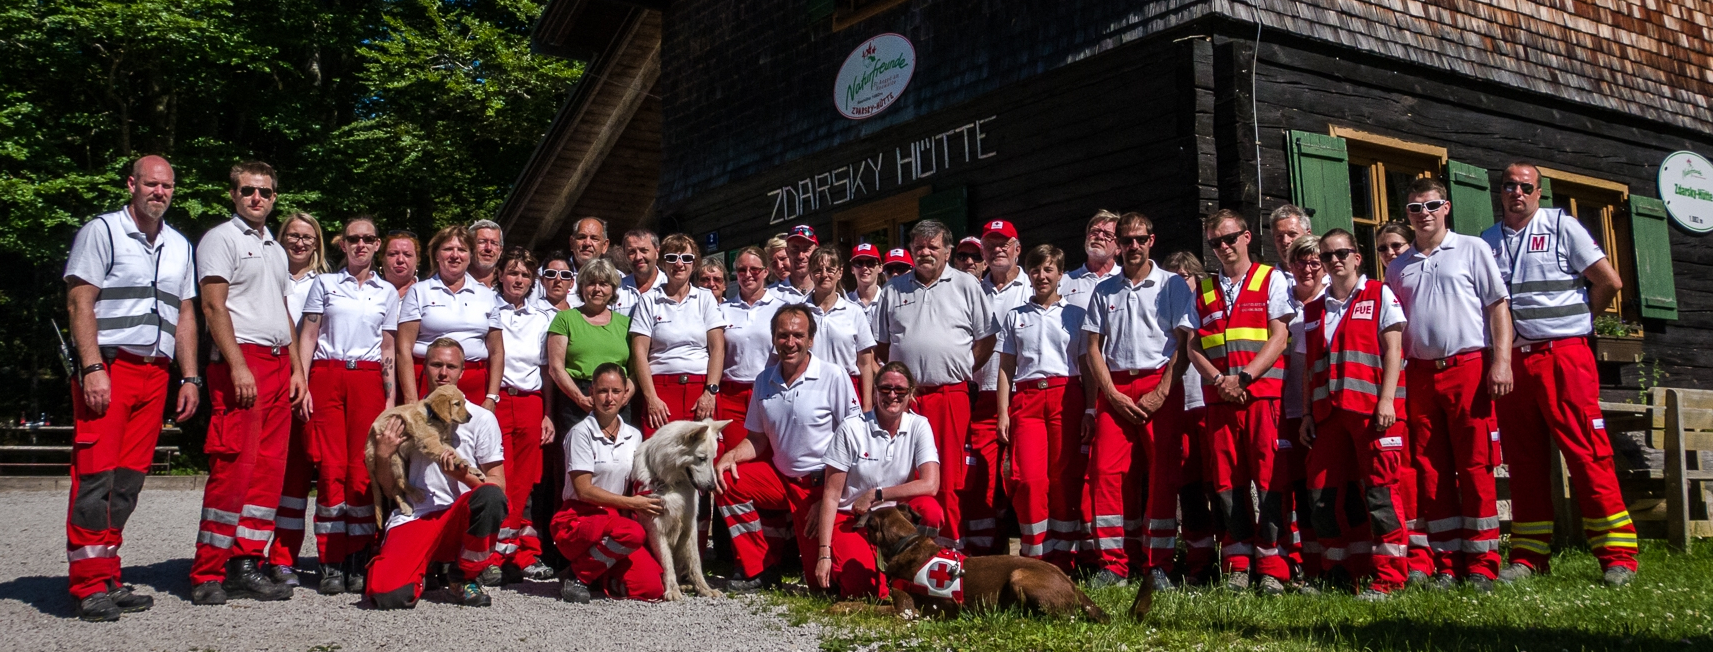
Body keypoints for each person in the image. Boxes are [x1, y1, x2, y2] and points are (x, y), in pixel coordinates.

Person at [1483, 162, 1635, 588]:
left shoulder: (1561, 225)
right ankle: (1530, 556)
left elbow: (1609, 281)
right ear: (1501, 191)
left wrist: (1580, 323)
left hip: (1562, 355)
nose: (1517, 193)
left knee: (1587, 450)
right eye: (1509, 185)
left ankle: (1617, 555)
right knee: (1524, 459)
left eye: (1525, 187)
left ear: (1538, 192)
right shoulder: (1487, 241)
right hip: (1513, 360)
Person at [62, 155, 200, 620]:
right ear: (132, 185)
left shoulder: (180, 245)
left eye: (166, 186)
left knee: (127, 481)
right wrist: (92, 365)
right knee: (95, 475)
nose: (158, 192)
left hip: (156, 372)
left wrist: (190, 376)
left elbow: (185, 315)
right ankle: (86, 584)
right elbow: (80, 301)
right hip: (112, 367)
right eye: (150, 184)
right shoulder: (101, 231)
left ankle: (108, 572)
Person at [191, 161, 308, 605]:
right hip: (244, 360)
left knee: (268, 470)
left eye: (264, 192)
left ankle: (246, 561)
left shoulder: (275, 248)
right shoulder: (220, 239)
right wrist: (237, 364)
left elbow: (281, 310)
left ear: (274, 196)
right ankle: (207, 571)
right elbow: (213, 306)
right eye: (247, 191)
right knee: (234, 466)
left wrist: (297, 367)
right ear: (233, 193)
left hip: (279, 361)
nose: (256, 198)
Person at [1386, 177, 1512, 592]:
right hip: (1420, 373)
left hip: (1468, 367)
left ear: (1447, 208)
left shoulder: (1472, 249)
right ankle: (1445, 560)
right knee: (1430, 468)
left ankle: (1482, 562)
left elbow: (1497, 308)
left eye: (1430, 205)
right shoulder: (1398, 267)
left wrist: (1502, 363)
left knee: (1475, 465)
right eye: (1413, 209)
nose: (1423, 214)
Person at [1080, 213, 1195, 591]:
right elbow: (1093, 347)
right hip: (1115, 386)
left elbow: (1184, 344)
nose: (1132, 246)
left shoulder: (1173, 285)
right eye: (1125, 240)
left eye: (1138, 239)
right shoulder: (1104, 290)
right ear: (1117, 245)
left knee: (1162, 475)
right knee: (1106, 474)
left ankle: (1157, 565)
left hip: (1158, 383)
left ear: (1151, 241)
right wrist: (1109, 393)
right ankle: (1113, 565)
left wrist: (1162, 390)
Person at [714, 304, 863, 591]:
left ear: (810, 340)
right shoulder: (763, 380)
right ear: (773, 338)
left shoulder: (833, 376)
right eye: (783, 335)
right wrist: (730, 455)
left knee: (825, 584)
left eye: (798, 335)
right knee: (725, 479)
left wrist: (829, 499)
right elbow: (757, 440)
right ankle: (760, 569)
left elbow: (856, 440)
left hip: (822, 486)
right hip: (782, 480)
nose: (790, 342)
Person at [284, 215, 396, 595]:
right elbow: (308, 333)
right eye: (353, 239)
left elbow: (388, 348)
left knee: (360, 470)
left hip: (367, 379)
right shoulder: (325, 284)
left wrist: (391, 397)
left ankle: (358, 559)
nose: (360, 245)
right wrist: (302, 378)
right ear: (342, 243)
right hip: (328, 374)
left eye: (367, 239)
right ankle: (330, 560)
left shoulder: (388, 293)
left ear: (377, 244)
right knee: (330, 468)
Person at [872, 220, 998, 550]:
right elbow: (883, 346)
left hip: (950, 394)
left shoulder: (967, 285)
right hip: (905, 399)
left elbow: (986, 338)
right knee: (904, 473)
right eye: (919, 247)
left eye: (933, 246)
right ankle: (910, 548)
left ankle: (950, 549)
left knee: (949, 477)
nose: (925, 252)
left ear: (947, 250)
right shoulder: (893, 289)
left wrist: (963, 365)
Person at [1301, 229, 1411, 601]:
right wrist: (1306, 414)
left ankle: (1389, 578)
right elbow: (1309, 368)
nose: (1335, 260)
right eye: (1327, 255)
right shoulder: (1314, 309)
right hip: (1327, 414)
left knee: (1380, 491)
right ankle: (1338, 571)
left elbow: (1393, 349)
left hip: (1370, 412)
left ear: (1357, 256)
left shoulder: (1379, 294)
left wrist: (1387, 400)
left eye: (1342, 253)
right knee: (1323, 494)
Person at [1188, 209, 1295, 595]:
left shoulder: (1272, 278)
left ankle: (1273, 566)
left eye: (1230, 238)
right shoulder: (1202, 289)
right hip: (1219, 400)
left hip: (1262, 396)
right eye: (1216, 242)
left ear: (1247, 237)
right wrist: (1219, 381)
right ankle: (1236, 564)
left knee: (1269, 480)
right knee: (1226, 484)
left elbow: (1279, 336)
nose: (1224, 247)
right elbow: (1193, 345)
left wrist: (1245, 377)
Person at [366, 338, 507, 609]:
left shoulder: (482, 419)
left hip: (459, 517)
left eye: (451, 366)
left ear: (462, 372)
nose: (443, 373)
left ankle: (463, 576)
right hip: (418, 515)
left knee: (490, 497)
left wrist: (462, 476)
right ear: (425, 368)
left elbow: (498, 484)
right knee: (388, 595)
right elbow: (388, 489)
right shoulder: (405, 417)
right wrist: (384, 456)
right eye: (436, 365)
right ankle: (420, 568)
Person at [813, 362, 944, 598]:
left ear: (911, 394)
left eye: (900, 390)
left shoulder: (919, 425)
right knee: (865, 590)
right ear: (875, 391)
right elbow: (831, 496)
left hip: (895, 518)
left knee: (931, 512)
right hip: (854, 519)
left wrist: (877, 494)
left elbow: (931, 484)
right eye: (885, 389)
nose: (892, 395)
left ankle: (919, 571)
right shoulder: (851, 428)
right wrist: (824, 554)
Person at [994, 244, 1086, 570]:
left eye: (1049, 269)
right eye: (1036, 269)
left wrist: (1089, 409)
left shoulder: (1075, 315)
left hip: (1066, 395)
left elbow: (1085, 365)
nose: (1042, 275)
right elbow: (1006, 367)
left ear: (1061, 274)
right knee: (1030, 478)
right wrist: (1003, 411)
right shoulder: (1015, 316)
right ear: (1028, 274)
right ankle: (1035, 556)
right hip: (1028, 398)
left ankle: (1064, 556)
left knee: (1063, 476)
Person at [539, 258, 635, 571]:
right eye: (591, 283)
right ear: (581, 287)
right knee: (573, 474)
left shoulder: (625, 324)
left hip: (618, 399)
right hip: (577, 399)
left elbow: (635, 367)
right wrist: (582, 398)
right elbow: (555, 366)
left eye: (604, 283)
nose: (597, 289)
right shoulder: (565, 319)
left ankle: (619, 541)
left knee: (620, 469)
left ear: (613, 289)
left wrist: (626, 394)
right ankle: (564, 545)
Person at [551, 363, 667, 602]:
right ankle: (577, 575)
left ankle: (598, 574)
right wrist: (634, 504)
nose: (609, 398)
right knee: (632, 532)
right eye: (603, 391)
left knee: (652, 587)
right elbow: (583, 491)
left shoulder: (633, 435)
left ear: (626, 394)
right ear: (591, 392)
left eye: (616, 391)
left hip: (614, 521)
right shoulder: (580, 433)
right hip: (578, 517)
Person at [263, 212, 325, 590]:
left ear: (317, 243)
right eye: (293, 235)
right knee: (270, 474)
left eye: (307, 237)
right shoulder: (268, 273)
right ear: (281, 238)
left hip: (310, 383)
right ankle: (256, 555)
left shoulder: (328, 283)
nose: (299, 243)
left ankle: (287, 555)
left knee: (301, 474)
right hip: (269, 376)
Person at [489, 247, 558, 582]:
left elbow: (546, 369)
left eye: (525, 275)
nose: (518, 280)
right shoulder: (488, 309)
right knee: (498, 478)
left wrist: (547, 413)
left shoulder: (542, 316)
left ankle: (524, 554)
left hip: (530, 401)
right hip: (499, 400)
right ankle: (491, 555)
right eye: (512, 272)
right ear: (500, 274)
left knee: (526, 483)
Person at [965, 219, 1031, 554]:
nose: (998, 249)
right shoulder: (972, 289)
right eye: (990, 244)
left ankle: (1035, 551)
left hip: (1024, 394)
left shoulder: (1032, 286)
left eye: (1004, 243)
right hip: (983, 395)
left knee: (1022, 476)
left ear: (1018, 248)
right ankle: (986, 556)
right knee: (983, 478)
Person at [391, 225, 505, 406]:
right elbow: (403, 348)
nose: (455, 255)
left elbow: (497, 351)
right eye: (448, 249)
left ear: (470, 256)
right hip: (428, 381)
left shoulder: (487, 295)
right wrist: (411, 399)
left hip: (474, 383)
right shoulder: (419, 292)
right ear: (436, 255)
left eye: (462, 250)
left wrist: (491, 397)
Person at [629, 234, 729, 437]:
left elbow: (717, 348)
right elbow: (639, 352)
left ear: (695, 264)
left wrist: (710, 392)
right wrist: (651, 398)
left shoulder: (705, 298)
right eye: (672, 258)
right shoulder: (648, 301)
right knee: (660, 459)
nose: (679, 264)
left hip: (700, 389)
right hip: (660, 391)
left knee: (703, 457)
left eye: (686, 258)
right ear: (663, 262)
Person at [1160, 251, 1218, 584]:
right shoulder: (1162, 309)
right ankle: (1198, 563)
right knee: (1191, 490)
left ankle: (1231, 558)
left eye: (1187, 274)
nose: (1181, 280)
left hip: (1208, 404)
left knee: (1220, 486)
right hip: (1179, 406)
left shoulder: (1208, 308)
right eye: (1174, 275)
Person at [1372, 220, 1425, 577]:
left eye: (1396, 246)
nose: (1390, 254)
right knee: (1395, 476)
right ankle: (1405, 556)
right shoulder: (1379, 288)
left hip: (1417, 378)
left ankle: (1422, 557)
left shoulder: (1416, 277)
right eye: (1384, 249)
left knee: (1413, 472)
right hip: (1391, 389)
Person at [1279, 230, 1325, 585]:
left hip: (1321, 406)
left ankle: (1322, 559)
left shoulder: (1333, 298)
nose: (1307, 268)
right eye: (1300, 261)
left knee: (1319, 487)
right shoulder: (1281, 296)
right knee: (1289, 486)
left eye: (1315, 261)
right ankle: (1296, 560)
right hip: (1284, 405)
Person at [719, 247, 786, 455]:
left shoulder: (782, 308)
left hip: (770, 390)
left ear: (766, 271)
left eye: (754, 270)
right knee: (736, 455)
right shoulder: (723, 310)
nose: (748, 275)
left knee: (772, 455)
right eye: (741, 270)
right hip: (732, 395)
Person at [805, 248, 877, 408]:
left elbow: (865, 363)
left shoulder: (854, 312)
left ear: (840, 272)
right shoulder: (800, 312)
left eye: (830, 269)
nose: (824, 275)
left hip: (848, 388)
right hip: (809, 387)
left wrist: (867, 405)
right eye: (817, 270)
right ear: (810, 274)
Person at [1059, 210, 1121, 310]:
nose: (1099, 236)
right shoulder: (1064, 281)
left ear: (1119, 248)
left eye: (1107, 235)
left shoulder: (1126, 280)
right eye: (1094, 232)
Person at [615, 229, 665, 317]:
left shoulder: (669, 286)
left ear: (657, 252)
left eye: (644, 250)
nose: (638, 257)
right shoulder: (616, 290)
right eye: (632, 252)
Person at [770, 225, 819, 304]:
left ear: (816, 252)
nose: (800, 256)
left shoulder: (828, 292)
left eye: (806, 249)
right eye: (795, 249)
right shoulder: (771, 295)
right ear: (787, 252)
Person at [846, 243, 885, 322]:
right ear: (852, 269)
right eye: (858, 263)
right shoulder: (844, 302)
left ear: (880, 267)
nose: (864, 268)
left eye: (870, 263)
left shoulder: (888, 301)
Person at [382, 230, 420, 297]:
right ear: (382, 258)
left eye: (407, 254)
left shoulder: (426, 294)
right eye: (393, 254)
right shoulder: (369, 292)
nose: (400, 260)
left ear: (417, 260)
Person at [468, 220, 504, 289]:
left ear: (500, 251)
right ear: (470, 247)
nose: (488, 248)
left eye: (494, 243)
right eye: (482, 242)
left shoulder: (507, 287)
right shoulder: (456, 283)